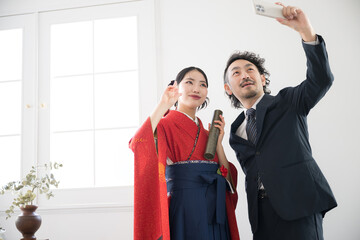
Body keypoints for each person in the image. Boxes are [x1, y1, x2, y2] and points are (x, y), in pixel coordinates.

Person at [223, 4, 337, 240]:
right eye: (236, 73)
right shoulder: (235, 131)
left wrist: (306, 32)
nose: (244, 75)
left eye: (250, 69)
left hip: (299, 208)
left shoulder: (288, 102)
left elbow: (321, 79)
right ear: (228, 88)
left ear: (262, 79)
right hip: (262, 217)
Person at [129, 66, 240, 240]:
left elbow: (228, 181)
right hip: (185, 204)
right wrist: (162, 105)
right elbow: (138, 143)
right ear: (176, 87)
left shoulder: (207, 134)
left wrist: (218, 144)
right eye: (189, 82)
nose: (196, 89)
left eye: (202, 85)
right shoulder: (164, 123)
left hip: (215, 207)